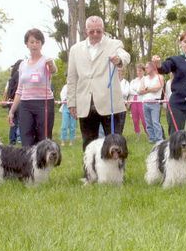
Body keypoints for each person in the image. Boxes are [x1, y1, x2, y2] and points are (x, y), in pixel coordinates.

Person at [67, 16, 131, 150]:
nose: (95, 34)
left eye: (99, 31)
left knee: (115, 145)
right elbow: (72, 78)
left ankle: (116, 171)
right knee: (89, 146)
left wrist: (119, 60)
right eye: (92, 32)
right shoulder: (75, 49)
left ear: (103, 30)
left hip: (110, 103)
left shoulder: (114, 44)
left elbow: (126, 56)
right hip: (86, 104)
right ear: (86, 31)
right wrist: (72, 102)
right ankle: (90, 171)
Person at [8, 28, 57, 147]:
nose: (35, 45)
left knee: (43, 140)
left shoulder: (47, 60)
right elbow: (19, 90)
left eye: (38, 42)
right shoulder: (23, 64)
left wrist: (51, 65)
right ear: (27, 44)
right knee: (26, 138)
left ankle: (43, 164)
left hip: (44, 103)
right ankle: (27, 165)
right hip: (25, 105)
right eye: (32, 42)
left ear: (42, 44)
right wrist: (12, 111)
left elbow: (54, 70)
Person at [139, 62, 164, 143]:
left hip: (155, 103)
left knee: (155, 122)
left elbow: (157, 88)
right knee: (148, 123)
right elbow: (140, 91)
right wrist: (149, 89)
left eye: (146, 67)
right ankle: (152, 138)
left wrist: (146, 89)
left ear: (152, 68)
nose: (145, 69)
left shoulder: (159, 77)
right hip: (145, 103)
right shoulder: (144, 78)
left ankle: (159, 139)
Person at [129, 63, 148, 138]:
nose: (138, 72)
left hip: (142, 101)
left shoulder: (146, 79)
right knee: (135, 119)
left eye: (140, 71)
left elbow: (144, 89)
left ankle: (148, 134)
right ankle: (138, 134)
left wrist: (137, 91)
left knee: (144, 119)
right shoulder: (133, 81)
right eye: (137, 71)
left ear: (143, 71)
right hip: (134, 101)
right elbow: (130, 90)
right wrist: (137, 91)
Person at [6, 59, 23, 145]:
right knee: (20, 121)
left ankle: (12, 140)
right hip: (19, 100)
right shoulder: (20, 74)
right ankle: (20, 139)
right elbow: (19, 89)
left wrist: (10, 98)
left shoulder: (12, 76)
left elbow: (10, 89)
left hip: (12, 101)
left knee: (13, 122)